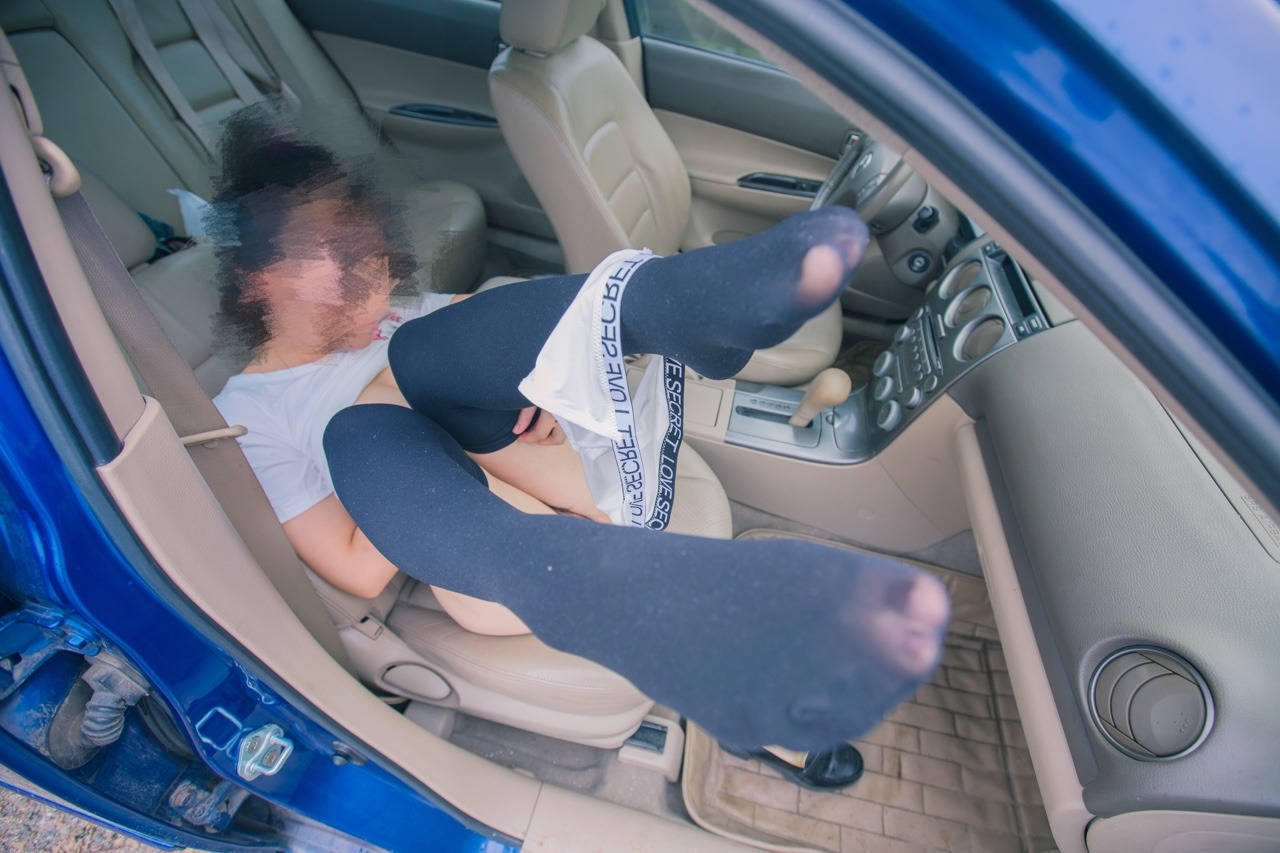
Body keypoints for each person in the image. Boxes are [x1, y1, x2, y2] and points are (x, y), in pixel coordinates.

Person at [210, 103, 949, 775]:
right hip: (491, 549)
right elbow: (354, 571)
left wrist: (529, 393)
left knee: (426, 351)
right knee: (363, 426)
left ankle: (673, 305)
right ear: (256, 280)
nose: (369, 274)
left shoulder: (396, 321)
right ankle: (681, 637)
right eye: (329, 258)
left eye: (366, 248)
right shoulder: (250, 412)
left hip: (579, 477)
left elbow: (501, 344)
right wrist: (396, 401)